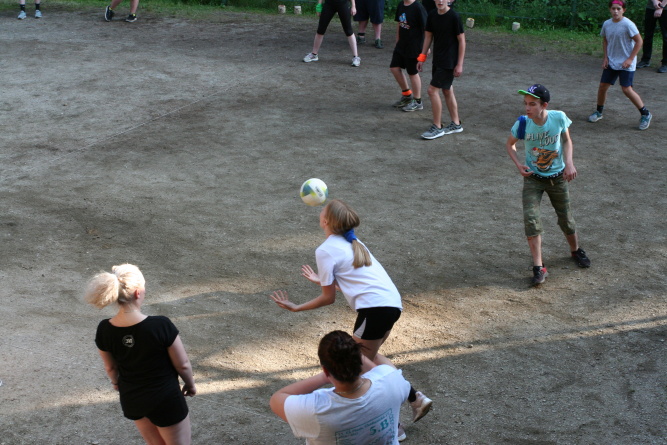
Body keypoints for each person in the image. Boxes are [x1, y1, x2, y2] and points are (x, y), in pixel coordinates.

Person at [269, 199, 432, 434]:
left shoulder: (325, 250)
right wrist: (322, 280)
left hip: (375, 309)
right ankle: (415, 398)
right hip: (390, 304)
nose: (320, 212)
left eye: (322, 211)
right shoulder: (354, 242)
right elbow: (355, 282)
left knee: (356, 362)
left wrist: (296, 307)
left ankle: (395, 425)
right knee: (368, 359)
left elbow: (328, 298)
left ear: (326, 221)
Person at [85, 264, 196, 444]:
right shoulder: (160, 325)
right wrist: (190, 384)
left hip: (132, 399)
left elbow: (110, 367)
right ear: (138, 293)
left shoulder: (104, 329)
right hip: (165, 399)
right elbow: (182, 364)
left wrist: (116, 383)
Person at [506, 84, 591, 286]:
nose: (527, 108)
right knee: (531, 220)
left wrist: (569, 163)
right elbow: (510, 144)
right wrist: (519, 165)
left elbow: (567, 140)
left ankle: (575, 250)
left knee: (565, 218)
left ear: (544, 105)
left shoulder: (559, 117)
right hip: (533, 179)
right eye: (526, 104)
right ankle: (539, 266)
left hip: (557, 178)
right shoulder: (523, 123)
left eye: (532, 104)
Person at [270, 330, 412, 443]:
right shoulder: (391, 378)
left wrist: (323, 377)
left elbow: (276, 399)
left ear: (326, 370)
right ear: (359, 359)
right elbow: (378, 371)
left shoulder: (317, 409)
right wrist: (353, 352)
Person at [588, 0, 653, 130]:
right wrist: (605, 58)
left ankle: (645, 114)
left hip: (626, 63)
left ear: (624, 10)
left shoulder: (628, 24)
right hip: (612, 61)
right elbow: (605, 40)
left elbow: (639, 41)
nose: (616, 11)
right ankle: (599, 112)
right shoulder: (607, 24)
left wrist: (630, 59)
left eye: (618, 8)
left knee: (626, 89)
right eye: (613, 8)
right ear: (610, 9)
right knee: (602, 86)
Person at [416, 0, 465, 140]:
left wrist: (459, 64)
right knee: (447, 90)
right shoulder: (432, 15)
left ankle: (437, 127)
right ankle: (456, 124)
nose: (440, 1)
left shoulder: (454, 17)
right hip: (437, 59)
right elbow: (428, 36)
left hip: (449, 61)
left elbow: (462, 41)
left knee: (432, 90)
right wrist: (422, 57)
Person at [390, 0, 428, 112]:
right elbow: (399, 24)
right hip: (402, 44)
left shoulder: (418, 7)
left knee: (412, 72)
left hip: (414, 46)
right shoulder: (401, 4)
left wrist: (426, 48)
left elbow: (426, 29)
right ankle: (407, 95)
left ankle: (417, 101)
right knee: (394, 67)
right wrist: (397, 40)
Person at [303, 0, 361, 67]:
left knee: (348, 31)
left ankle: (356, 57)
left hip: (343, 3)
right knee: (320, 30)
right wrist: (319, 5)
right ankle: (314, 54)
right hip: (329, 4)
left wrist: (353, 6)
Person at [637, 0, 667, 73]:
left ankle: (665, 63)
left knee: (666, 36)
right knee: (648, 35)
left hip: (665, 8)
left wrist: (661, 7)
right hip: (651, 7)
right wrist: (654, 1)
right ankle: (645, 60)